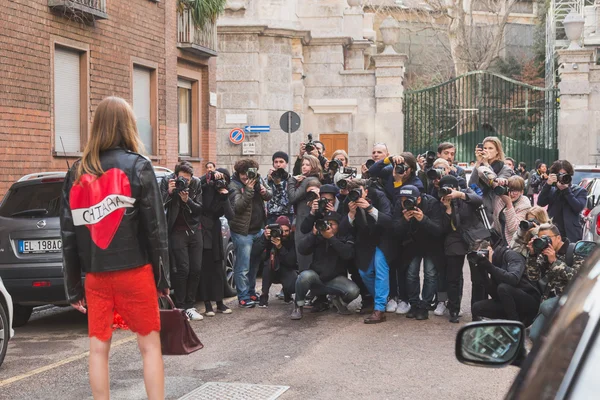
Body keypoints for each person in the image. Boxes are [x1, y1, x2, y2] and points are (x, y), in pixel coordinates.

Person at [61, 96, 170, 400]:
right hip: (135, 271)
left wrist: (73, 287)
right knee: (149, 347)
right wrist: (164, 279)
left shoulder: (78, 171)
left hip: (96, 275)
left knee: (98, 348)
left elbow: (68, 235)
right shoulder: (139, 166)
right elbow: (155, 231)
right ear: (129, 126)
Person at [339, 180, 392, 323]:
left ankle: (379, 309)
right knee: (365, 273)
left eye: (358, 191)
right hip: (364, 242)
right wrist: (351, 214)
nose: (355, 195)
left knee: (381, 269)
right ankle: (380, 300)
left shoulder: (380, 197)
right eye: (352, 192)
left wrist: (370, 208)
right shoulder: (348, 201)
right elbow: (342, 230)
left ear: (366, 191)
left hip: (383, 239)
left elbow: (389, 221)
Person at [292, 212, 360, 320]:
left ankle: (338, 302)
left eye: (332, 224)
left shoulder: (345, 236)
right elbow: (302, 250)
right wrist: (312, 234)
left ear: (339, 225)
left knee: (353, 291)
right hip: (316, 278)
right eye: (326, 223)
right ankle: (298, 306)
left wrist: (331, 238)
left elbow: (348, 254)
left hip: (335, 279)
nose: (328, 226)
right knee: (304, 276)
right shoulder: (318, 236)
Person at [526, 223, 585, 342]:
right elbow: (533, 276)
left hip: (570, 301)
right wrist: (532, 255)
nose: (545, 242)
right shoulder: (545, 252)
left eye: (547, 238)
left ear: (558, 238)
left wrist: (554, 262)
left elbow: (579, 279)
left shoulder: (575, 251)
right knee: (534, 335)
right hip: (550, 300)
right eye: (541, 239)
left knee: (546, 307)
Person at [160, 161, 204, 320]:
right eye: (182, 179)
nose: (185, 182)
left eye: (188, 179)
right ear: (175, 176)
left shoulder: (197, 183)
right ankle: (180, 307)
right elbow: (158, 205)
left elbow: (200, 209)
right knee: (183, 269)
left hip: (194, 230)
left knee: (196, 269)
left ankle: (190, 306)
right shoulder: (167, 182)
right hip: (176, 231)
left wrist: (187, 201)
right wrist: (169, 193)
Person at [393, 185, 445, 320]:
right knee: (411, 273)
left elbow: (439, 230)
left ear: (419, 199)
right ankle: (414, 303)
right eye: (403, 200)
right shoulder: (399, 206)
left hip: (431, 245)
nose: (406, 203)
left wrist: (423, 219)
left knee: (430, 274)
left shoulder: (432, 204)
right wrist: (404, 220)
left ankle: (426, 305)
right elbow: (394, 231)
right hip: (412, 245)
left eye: (409, 200)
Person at [439, 175, 484, 323]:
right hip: (454, 238)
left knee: (477, 278)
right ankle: (453, 309)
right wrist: (447, 209)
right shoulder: (441, 201)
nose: (448, 191)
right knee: (453, 277)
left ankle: (477, 312)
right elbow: (444, 228)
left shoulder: (466, 193)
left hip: (474, 236)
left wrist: (461, 195)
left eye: (450, 188)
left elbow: (479, 201)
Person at [228, 159, 273, 308]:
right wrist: (248, 189)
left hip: (258, 229)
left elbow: (269, 195)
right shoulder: (233, 185)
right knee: (243, 266)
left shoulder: (257, 178)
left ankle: (252, 291)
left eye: (249, 173)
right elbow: (238, 207)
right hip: (242, 232)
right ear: (238, 173)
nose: (246, 177)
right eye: (243, 174)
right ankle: (243, 296)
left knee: (254, 264)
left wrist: (264, 191)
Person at [470, 244, 541, 326]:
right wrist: (483, 273)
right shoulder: (493, 262)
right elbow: (495, 295)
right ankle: (510, 322)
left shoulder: (511, 255)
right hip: (511, 302)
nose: (483, 258)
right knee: (477, 307)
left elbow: (513, 279)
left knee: (503, 288)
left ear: (489, 249)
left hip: (529, 299)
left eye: (482, 254)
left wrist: (490, 267)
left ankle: (515, 326)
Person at [199, 168, 233, 317]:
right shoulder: (205, 187)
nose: (220, 182)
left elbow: (230, 215)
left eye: (223, 179)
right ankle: (207, 304)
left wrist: (224, 196)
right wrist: (210, 176)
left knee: (218, 268)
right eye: (218, 178)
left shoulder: (224, 192)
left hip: (215, 230)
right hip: (203, 229)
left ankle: (219, 302)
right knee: (205, 269)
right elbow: (199, 185)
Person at [288, 155, 324, 272]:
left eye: (307, 164)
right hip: (306, 219)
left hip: (304, 221)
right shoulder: (312, 179)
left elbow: (292, 197)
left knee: (303, 256)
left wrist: (292, 181)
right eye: (303, 164)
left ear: (314, 166)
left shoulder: (308, 181)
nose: (304, 167)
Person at [537, 160, 587, 243]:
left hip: (571, 234)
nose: (562, 177)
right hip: (553, 232)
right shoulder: (552, 190)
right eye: (560, 175)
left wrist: (566, 190)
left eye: (565, 174)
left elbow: (578, 208)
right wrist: (548, 184)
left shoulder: (579, 191)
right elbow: (540, 202)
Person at [255, 216, 298, 307]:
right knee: (268, 264)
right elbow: (256, 252)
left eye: (287, 231)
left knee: (293, 284)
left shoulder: (292, 239)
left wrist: (280, 247)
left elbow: (291, 261)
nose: (284, 234)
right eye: (282, 231)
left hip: (286, 268)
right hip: (271, 268)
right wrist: (265, 238)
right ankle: (264, 296)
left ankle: (287, 294)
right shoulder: (270, 236)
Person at [469, 136, 514, 221]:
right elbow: (471, 185)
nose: (487, 151)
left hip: (495, 210)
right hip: (479, 208)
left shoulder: (505, 169)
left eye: (490, 148)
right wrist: (478, 163)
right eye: (485, 148)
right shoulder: (479, 166)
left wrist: (486, 164)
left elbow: (494, 183)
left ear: (497, 151)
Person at [492, 176, 532, 247]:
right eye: (510, 190)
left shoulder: (525, 204)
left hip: (513, 243)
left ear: (522, 192)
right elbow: (482, 172)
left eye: (516, 191)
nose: (512, 193)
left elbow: (513, 228)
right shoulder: (502, 195)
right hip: (497, 238)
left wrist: (509, 204)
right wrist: (496, 180)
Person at [266, 151, 293, 224]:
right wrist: (268, 180)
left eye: (281, 162)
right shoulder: (269, 178)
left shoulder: (290, 179)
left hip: (287, 214)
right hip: (272, 215)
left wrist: (278, 184)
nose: (278, 165)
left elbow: (287, 199)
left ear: (286, 163)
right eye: (276, 162)